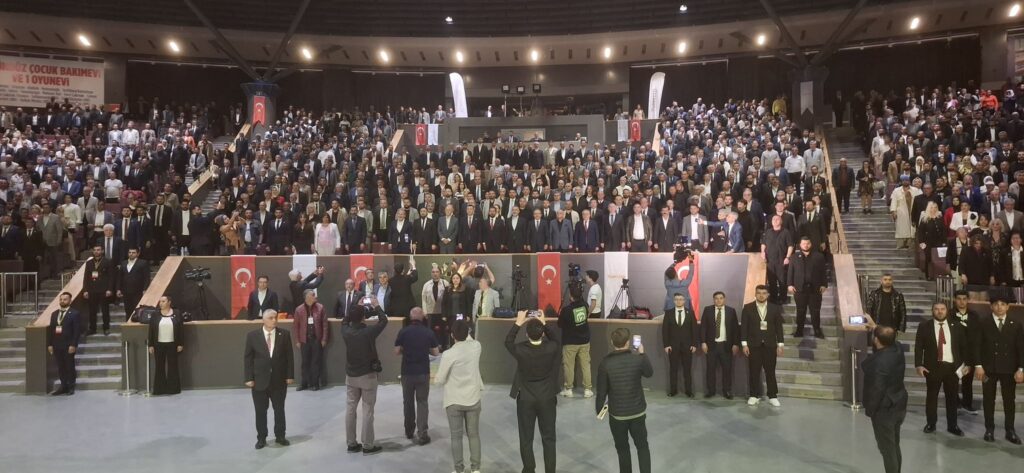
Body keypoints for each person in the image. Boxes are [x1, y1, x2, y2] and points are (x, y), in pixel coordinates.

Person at [506, 309, 561, 473]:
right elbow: (557, 340)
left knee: (526, 437)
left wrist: (518, 322)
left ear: (526, 334)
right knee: (549, 438)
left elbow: (508, 342)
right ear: (542, 334)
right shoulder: (551, 347)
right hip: (547, 397)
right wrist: (544, 323)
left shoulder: (521, 349)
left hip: (526, 398)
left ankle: (529, 469)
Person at [595, 327, 653, 473]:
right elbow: (649, 373)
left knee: (622, 450)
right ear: (628, 342)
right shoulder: (637, 360)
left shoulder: (605, 364)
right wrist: (642, 353)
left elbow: (601, 392)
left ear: (612, 342)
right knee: (642, 446)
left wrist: (599, 411)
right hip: (637, 412)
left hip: (617, 416)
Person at [974, 293, 1024, 444]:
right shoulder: (983, 322)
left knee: (1009, 400)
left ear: (1008, 307)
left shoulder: (1016, 324)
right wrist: (978, 366)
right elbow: (976, 345)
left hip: (1009, 369)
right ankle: (989, 429)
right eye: (996, 304)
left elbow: (1021, 348)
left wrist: (1021, 368)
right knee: (988, 399)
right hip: (988, 369)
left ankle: (1010, 430)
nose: (999, 307)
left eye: (1003, 304)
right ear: (991, 306)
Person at [435, 318, 483, 473]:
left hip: (454, 400)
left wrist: (436, 379)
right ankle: (476, 469)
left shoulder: (448, 354)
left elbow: (440, 380)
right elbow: (468, 339)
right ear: (468, 332)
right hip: (473, 398)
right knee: (474, 435)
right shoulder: (476, 346)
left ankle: (459, 469)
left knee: (456, 437)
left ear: (452, 335)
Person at [342, 298, 388, 454]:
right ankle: (367, 444)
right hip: (368, 375)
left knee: (350, 409)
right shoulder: (368, 332)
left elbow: (344, 321)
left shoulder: (346, 331)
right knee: (368, 410)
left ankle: (351, 443)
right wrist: (376, 305)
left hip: (351, 376)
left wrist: (355, 306)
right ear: (364, 317)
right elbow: (383, 321)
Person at [913, 301, 967, 436]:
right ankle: (931, 423)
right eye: (936, 309)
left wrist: (965, 364)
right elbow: (918, 346)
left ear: (947, 310)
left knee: (952, 398)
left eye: (942, 309)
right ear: (932, 311)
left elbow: (964, 347)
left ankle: (953, 425)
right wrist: (918, 364)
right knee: (931, 397)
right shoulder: (924, 326)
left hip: (952, 368)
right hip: (932, 367)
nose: (940, 311)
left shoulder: (957, 326)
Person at [244, 309, 295, 449]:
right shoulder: (252, 336)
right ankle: (261, 438)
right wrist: (249, 378)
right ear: (264, 320)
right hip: (259, 381)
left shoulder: (284, 334)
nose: (274, 320)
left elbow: (289, 357)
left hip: (279, 380)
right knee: (260, 411)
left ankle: (280, 436)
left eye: (275, 318)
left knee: (279, 410)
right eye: (271, 318)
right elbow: (248, 358)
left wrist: (290, 375)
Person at [862, 325, 908, 473]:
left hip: (885, 410)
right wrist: (876, 326)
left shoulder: (878, 363)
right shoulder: (898, 349)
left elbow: (876, 390)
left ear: (876, 340)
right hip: (899, 404)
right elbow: (891, 339)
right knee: (894, 445)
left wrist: (870, 411)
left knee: (887, 450)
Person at [394, 307, 439, 445]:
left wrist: (406, 350)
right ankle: (422, 434)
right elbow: (436, 352)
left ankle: (409, 431)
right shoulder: (428, 332)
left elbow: (396, 351)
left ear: (410, 317)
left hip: (407, 372)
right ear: (422, 317)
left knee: (408, 402)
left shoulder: (403, 331)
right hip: (423, 372)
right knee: (422, 402)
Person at [741, 285, 785, 407]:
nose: (761, 295)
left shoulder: (774, 308)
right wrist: (744, 344)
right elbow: (744, 327)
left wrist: (780, 344)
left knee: (770, 371)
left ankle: (773, 396)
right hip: (753, 345)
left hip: (770, 345)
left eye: (764, 293)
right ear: (755, 294)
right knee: (754, 371)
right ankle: (754, 395)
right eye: (759, 293)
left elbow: (779, 328)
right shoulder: (748, 308)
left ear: (768, 295)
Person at [701, 291, 740, 399]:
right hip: (711, 346)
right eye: (716, 298)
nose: (718, 300)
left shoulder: (731, 311)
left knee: (727, 370)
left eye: (721, 298)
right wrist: (703, 342)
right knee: (710, 370)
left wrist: (735, 344)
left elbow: (735, 329)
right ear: (713, 299)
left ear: (724, 299)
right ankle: (711, 391)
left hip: (726, 346)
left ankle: (727, 391)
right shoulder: (707, 310)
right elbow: (703, 327)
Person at [788, 236, 828, 339]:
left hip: (815, 289)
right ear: (800, 245)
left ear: (811, 244)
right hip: (799, 289)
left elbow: (823, 272)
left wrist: (824, 284)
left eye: (808, 243)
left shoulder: (819, 256)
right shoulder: (794, 257)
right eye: (804, 243)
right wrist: (790, 285)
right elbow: (790, 272)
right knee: (800, 310)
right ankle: (799, 330)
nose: (806, 245)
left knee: (815, 311)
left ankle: (817, 331)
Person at [558, 283, 592, 398]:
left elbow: (559, 324)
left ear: (571, 296)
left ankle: (568, 389)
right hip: (584, 341)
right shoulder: (585, 306)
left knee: (569, 366)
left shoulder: (566, 310)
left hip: (570, 342)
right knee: (586, 365)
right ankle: (588, 390)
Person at [662, 292, 699, 398]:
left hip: (688, 346)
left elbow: (694, 330)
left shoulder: (690, 312)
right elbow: (665, 330)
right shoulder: (668, 313)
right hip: (672, 347)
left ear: (684, 301)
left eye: (681, 299)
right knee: (673, 369)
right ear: (674, 301)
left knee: (687, 370)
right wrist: (666, 345)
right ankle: (673, 390)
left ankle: (688, 391)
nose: (679, 301)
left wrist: (694, 344)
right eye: (677, 299)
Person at [949, 290, 980, 412]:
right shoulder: (949, 314)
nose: (961, 302)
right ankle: (955, 403)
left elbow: (977, 335)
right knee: (953, 380)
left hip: (969, 353)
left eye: (964, 299)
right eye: (959, 299)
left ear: (968, 300)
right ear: (955, 300)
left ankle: (967, 404)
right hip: (954, 352)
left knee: (968, 380)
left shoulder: (974, 315)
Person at [46, 292, 81, 395]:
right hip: (57, 344)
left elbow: (77, 331)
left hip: (68, 345)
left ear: (70, 301)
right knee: (60, 366)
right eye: (61, 299)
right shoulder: (54, 314)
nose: (62, 301)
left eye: (65, 299)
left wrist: (73, 344)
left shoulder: (74, 313)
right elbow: (51, 330)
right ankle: (63, 386)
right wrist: (50, 344)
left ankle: (71, 386)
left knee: (69, 366)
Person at [293, 289, 328, 391]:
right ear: (307, 297)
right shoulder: (299, 309)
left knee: (316, 362)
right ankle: (304, 383)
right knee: (305, 363)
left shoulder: (320, 307)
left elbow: (325, 325)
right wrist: (297, 340)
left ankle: (315, 383)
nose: (315, 297)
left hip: (317, 339)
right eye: (313, 295)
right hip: (304, 340)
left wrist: (324, 339)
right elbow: (296, 326)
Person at [148, 295, 184, 395]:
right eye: (160, 301)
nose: (161, 303)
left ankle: (173, 389)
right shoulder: (155, 314)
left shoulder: (177, 313)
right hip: (159, 344)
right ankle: (160, 389)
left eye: (163, 301)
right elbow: (151, 330)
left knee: (173, 366)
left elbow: (181, 329)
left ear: (169, 302)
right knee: (159, 366)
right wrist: (151, 345)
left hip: (172, 344)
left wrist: (180, 343)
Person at [82, 245, 115, 336]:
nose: (96, 251)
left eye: (98, 250)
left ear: (102, 251)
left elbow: (111, 277)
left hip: (104, 290)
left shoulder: (107, 262)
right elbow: (86, 277)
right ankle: (92, 328)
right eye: (95, 250)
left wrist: (110, 289)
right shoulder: (89, 263)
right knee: (92, 311)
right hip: (92, 290)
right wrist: (85, 290)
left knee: (105, 310)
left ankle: (106, 328)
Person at [762, 214, 794, 304]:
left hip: (781, 260)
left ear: (781, 221)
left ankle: (783, 298)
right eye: (773, 219)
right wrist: (762, 252)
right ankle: (773, 298)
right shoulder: (768, 232)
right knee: (772, 281)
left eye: (777, 219)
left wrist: (787, 257)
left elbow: (790, 245)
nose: (775, 221)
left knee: (782, 281)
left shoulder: (786, 232)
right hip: (770, 261)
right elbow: (763, 244)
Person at [421, 265, 451, 349]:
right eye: (433, 272)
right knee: (430, 331)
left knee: (443, 331)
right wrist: (425, 311)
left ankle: (444, 347)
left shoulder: (445, 283)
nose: (435, 274)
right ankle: (431, 347)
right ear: (431, 273)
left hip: (442, 312)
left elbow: (448, 299)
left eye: (437, 272)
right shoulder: (426, 285)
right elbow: (423, 299)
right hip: (430, 312)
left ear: (440, 273)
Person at [117, 247, 151, 319]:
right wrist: (118, 289)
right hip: (126, 291)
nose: (131, 254)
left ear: (138, 254)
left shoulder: (143, 263)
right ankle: (128, 323)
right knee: (127, 310)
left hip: (138, 290)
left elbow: (147, 277)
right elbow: (120, 277)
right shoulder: (123, 263)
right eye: (129, 252)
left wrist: (145, 289)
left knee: (137, 310)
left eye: (133, 252)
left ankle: (136, 323)